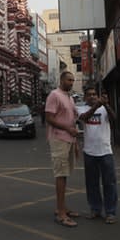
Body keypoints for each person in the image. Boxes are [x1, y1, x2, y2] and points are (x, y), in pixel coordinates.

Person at [45, 71, 81, 228]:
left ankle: (63, 207)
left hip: (69, 140)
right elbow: (49, 118)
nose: (71, 82)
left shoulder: (69, 97)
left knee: (65, 175)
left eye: (73, 80)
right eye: (69, 80)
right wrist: (67, 129)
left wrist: (76, 143)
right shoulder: (54, 95)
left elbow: (72, 120)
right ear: (61, 80)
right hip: (58, 139)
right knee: (61, 175)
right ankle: (61, 214)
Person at [79, 86, 118, 224]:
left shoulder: (104, 108)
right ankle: (95, 209)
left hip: (105, 151)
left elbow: (114, 119)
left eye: (94, 94)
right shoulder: (81, 109)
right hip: (89, 152)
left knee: (109, 183)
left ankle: (110, 212)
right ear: (84, 97)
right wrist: (96, 106)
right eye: (89, 95)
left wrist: (106, 104)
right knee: (92, 183)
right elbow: (84, 118)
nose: (92, 96)